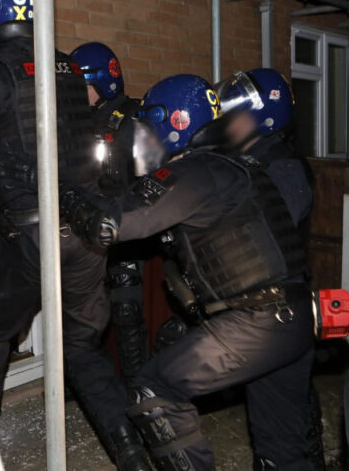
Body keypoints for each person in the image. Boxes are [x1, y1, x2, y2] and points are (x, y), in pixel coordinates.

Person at [0, 0, 149, 470]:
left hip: (26, 237)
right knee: (83, 349)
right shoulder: (69, 67)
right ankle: (134, 453)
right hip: (84, 236)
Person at [61, 74, 318, 470]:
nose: (141, 140)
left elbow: (109, 225)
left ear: (176, 122)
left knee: (154, 390)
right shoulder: (233, 165)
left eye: (148, 129)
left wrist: (62, 189)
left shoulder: (195, 170)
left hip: (258, 321)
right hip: (294, 318)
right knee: (281, 451)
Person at [216, 68, 324, 470]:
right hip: (264, 309)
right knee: (276, 424)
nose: (228, 124)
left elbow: (263, 235)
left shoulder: (282, 168)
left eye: (236, 115)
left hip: (281, 308)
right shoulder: (253, 162)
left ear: (264, 117)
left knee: (282, 436)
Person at [70, 41, 150, 383]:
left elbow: (153, 176)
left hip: (126, 231)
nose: (76, 94)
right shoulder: (77, 123)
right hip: (85, 230)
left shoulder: (133, 119)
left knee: (126, 309)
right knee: (82, 313)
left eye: (82, 87)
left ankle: (139, 390)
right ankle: (85, 379)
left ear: (105, 83)